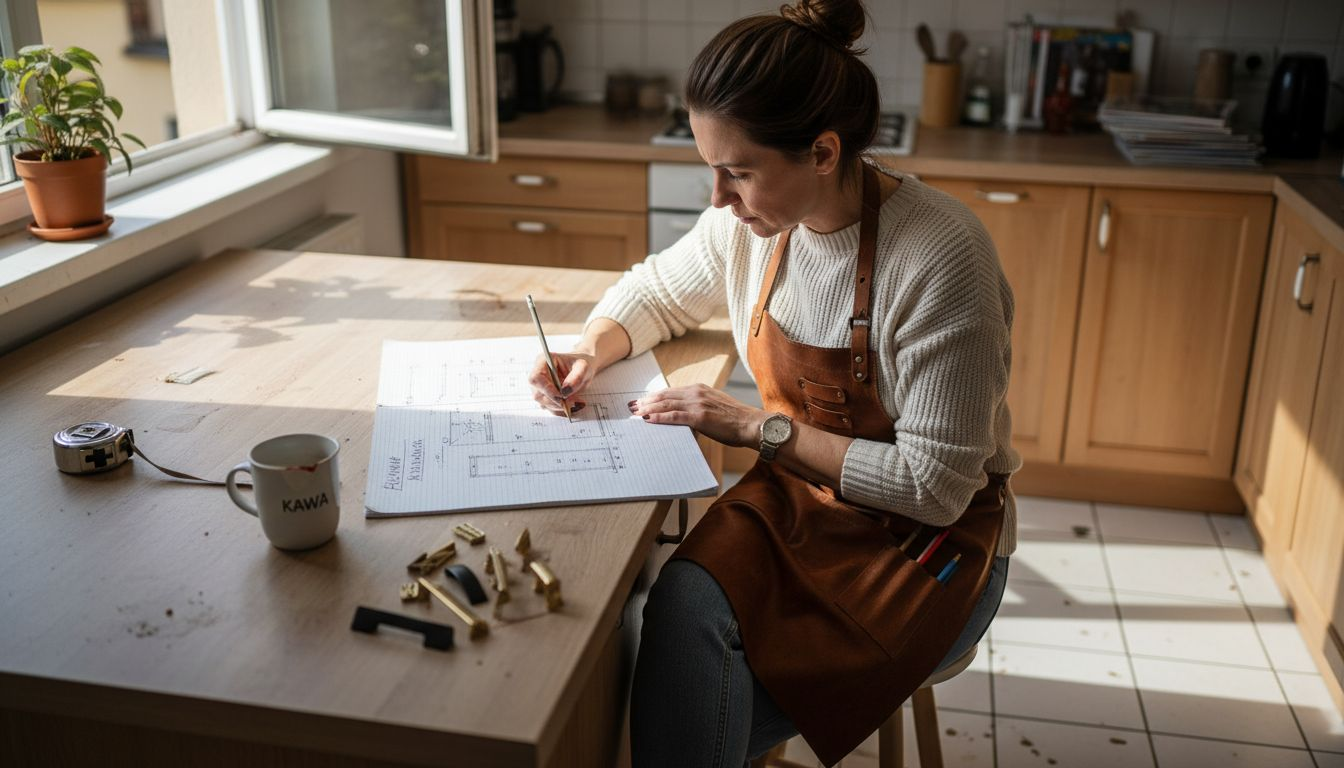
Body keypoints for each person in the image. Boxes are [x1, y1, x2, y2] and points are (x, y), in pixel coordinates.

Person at [527, 1, 1021, 765]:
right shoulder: (747, 226)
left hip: (929, 543)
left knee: (676, 710)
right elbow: (657, 293)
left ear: (823, 153)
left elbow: (935, 488)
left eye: (739, 172)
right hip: (801, 499)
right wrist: (590, 348)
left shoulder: (941, 258)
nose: (717, 198)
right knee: (679, 610)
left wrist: (760, 428)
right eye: (710, 170)